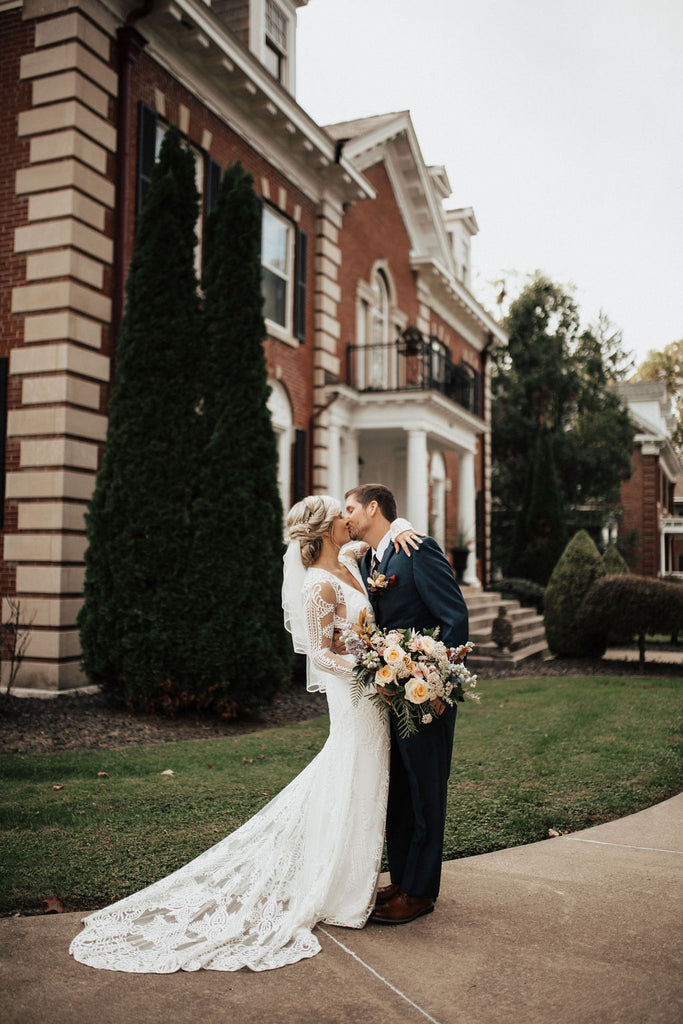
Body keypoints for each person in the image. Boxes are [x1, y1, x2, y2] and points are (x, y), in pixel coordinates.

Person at [69, 495, 419, 973]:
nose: (347, 517)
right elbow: (319, 656)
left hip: (371, 693)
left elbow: (378, 538)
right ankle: (335, 890)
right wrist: (374, 672)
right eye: (339, 514)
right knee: (351, 772)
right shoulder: (318, 585)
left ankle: (348, 884)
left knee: (364, 779)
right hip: (355, 694)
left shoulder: (352, 560)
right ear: (321, 531)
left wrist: (398, 524)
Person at [344, 483, 469, 925]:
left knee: (425, 791)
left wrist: (441, 685)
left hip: (426, 696)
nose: (346, 519)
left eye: (351, 509)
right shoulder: (370, 560)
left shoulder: (416, 548)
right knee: (398, 790)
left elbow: (454, 618)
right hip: (391, 695)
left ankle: (421, 892)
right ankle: (402, 878)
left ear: (373, 508)